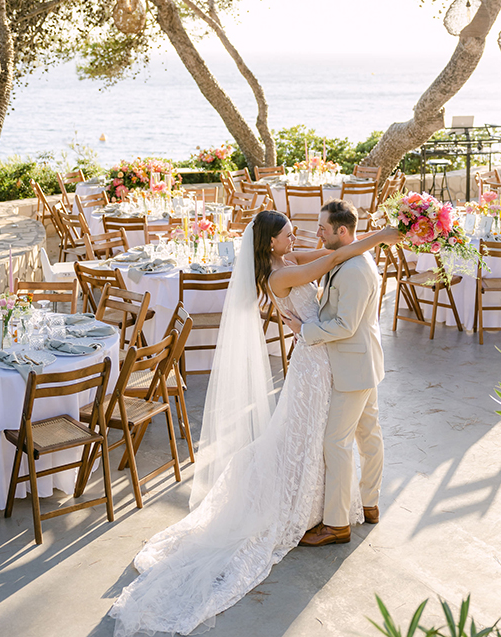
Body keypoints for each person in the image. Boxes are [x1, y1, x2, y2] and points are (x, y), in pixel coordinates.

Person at [110, 209, 400, 637]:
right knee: (307, 435)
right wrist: (385, 235)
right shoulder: (279, 277)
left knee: (321, 435)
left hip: (324, 358)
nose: (296, 237)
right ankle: (310, 507)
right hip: (313, 363)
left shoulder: (289, 259)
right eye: (287, 234)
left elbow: (328, 252)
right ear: (270, 244)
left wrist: (372, 239)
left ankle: (324, 505)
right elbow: (334, 258)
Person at [282, 200, 387, 547]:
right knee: (368, 433)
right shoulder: (346, 257)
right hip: (362, 361)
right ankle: (369, 502)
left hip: (352, 365)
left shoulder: (356, 269)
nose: (317, 233)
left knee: (336, 441)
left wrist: (303, 330)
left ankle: (337, 524)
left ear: (342, 231)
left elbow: (345, 324)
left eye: (323, 229)